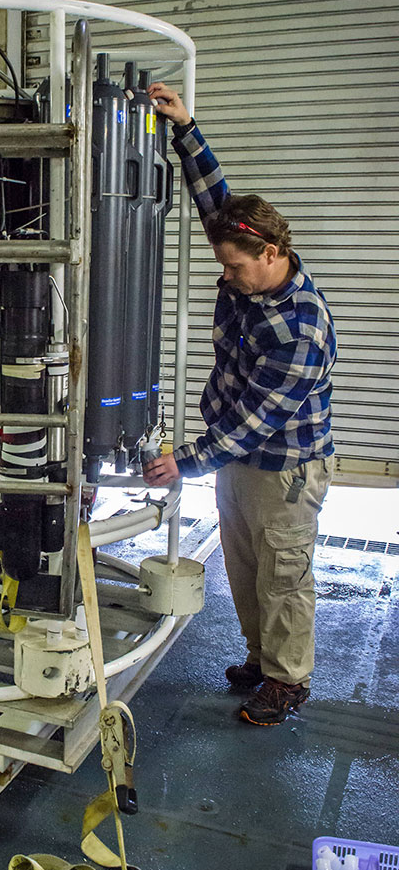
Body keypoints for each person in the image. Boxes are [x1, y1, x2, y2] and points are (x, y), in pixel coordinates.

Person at [141, 82, 336, 727]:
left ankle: (286, 681)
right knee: (246, 567)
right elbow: (216, 203)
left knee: (282, 577)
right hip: (239, 455)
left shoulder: (299, 327)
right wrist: (185, 127)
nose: (225, 276)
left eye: (234, 269)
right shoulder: (247, 256)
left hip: (283, 466)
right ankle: (259, 658)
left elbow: (261, 420)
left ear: (272, 255)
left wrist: (186, 463)